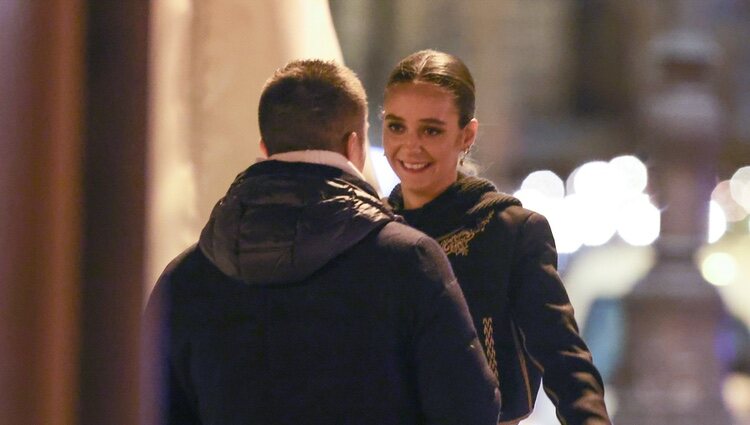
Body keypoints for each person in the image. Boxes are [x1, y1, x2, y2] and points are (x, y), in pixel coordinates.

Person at [145, 59, 501, 425]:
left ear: (265, 147)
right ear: (354, 146)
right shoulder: (410, 262)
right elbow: (468, 411)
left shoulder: (185, 278)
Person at [382, 49, 611, 425]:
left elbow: (563, 357)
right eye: (396, 126)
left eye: (431, 130)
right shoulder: (371, 227)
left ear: (466, 135)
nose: (410, 145)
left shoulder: (509, 230)